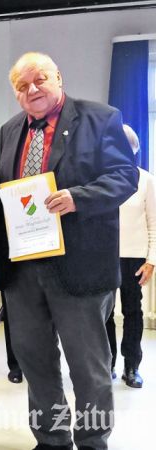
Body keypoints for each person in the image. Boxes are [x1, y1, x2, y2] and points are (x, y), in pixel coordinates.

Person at [0, 52, 138, 450]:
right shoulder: (10, 129)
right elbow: (3, 197)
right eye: (22, 85)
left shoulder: (100, 117)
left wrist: (78, 197)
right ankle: (51, 439)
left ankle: (92, 440)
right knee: (35, 361)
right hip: (23, 270)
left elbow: (124, 177)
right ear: (15, 94)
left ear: (58, 78)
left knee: (88, 366)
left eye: (39, 79)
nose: (32, 89)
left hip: (80, 267)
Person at [105, 124, 155, 388]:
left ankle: (132, 366)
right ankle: (108, 362)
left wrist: (151, 260)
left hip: (135, 258)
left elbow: (154, 223)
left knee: (133, 311)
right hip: (103, 256)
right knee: (105, 313)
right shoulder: (100, 179)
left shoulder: (146, 180)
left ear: (134, 150)